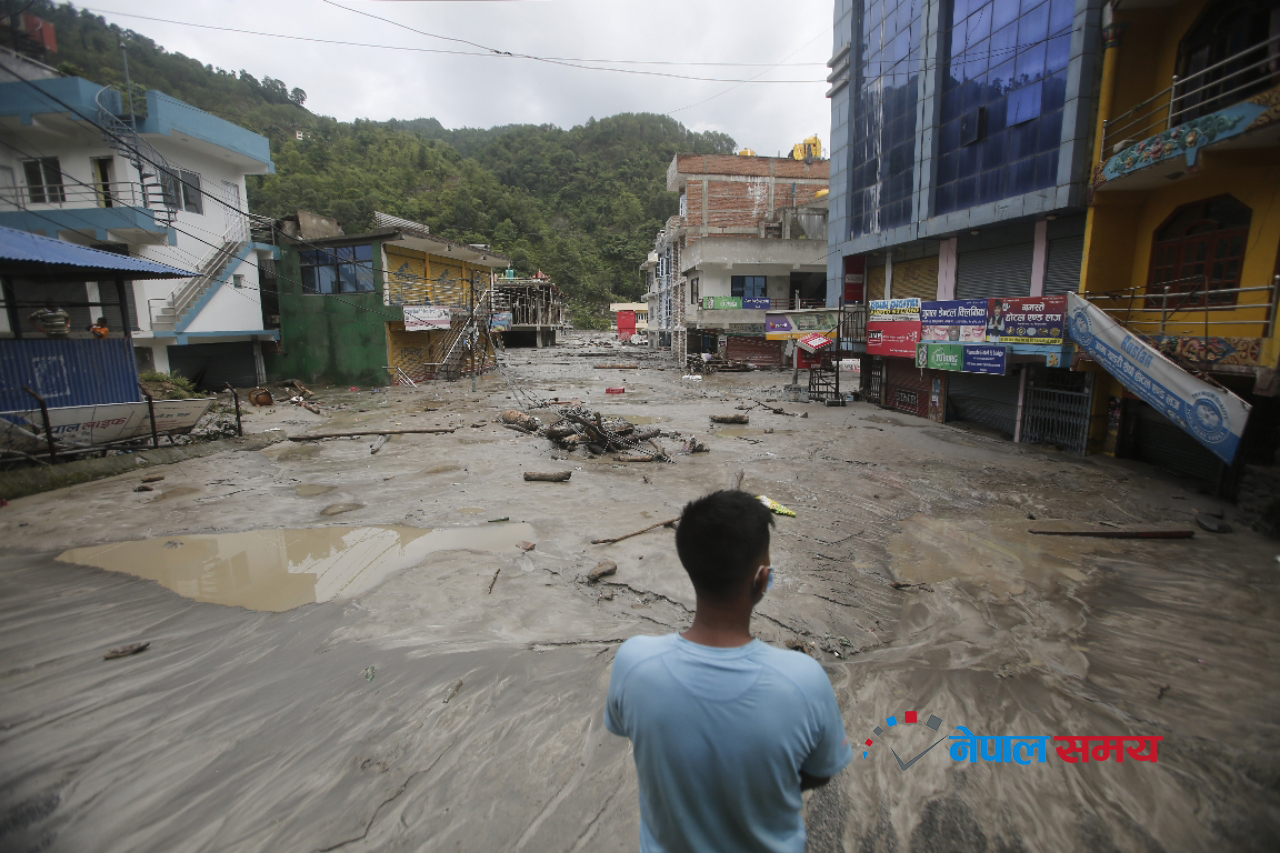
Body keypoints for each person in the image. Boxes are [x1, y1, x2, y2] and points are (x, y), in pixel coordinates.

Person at [605, 490, 853, 853]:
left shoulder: (634, 664)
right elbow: (822, 770)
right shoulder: (803, 680)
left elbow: (632, 731)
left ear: (688, 566)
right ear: (762, 579)